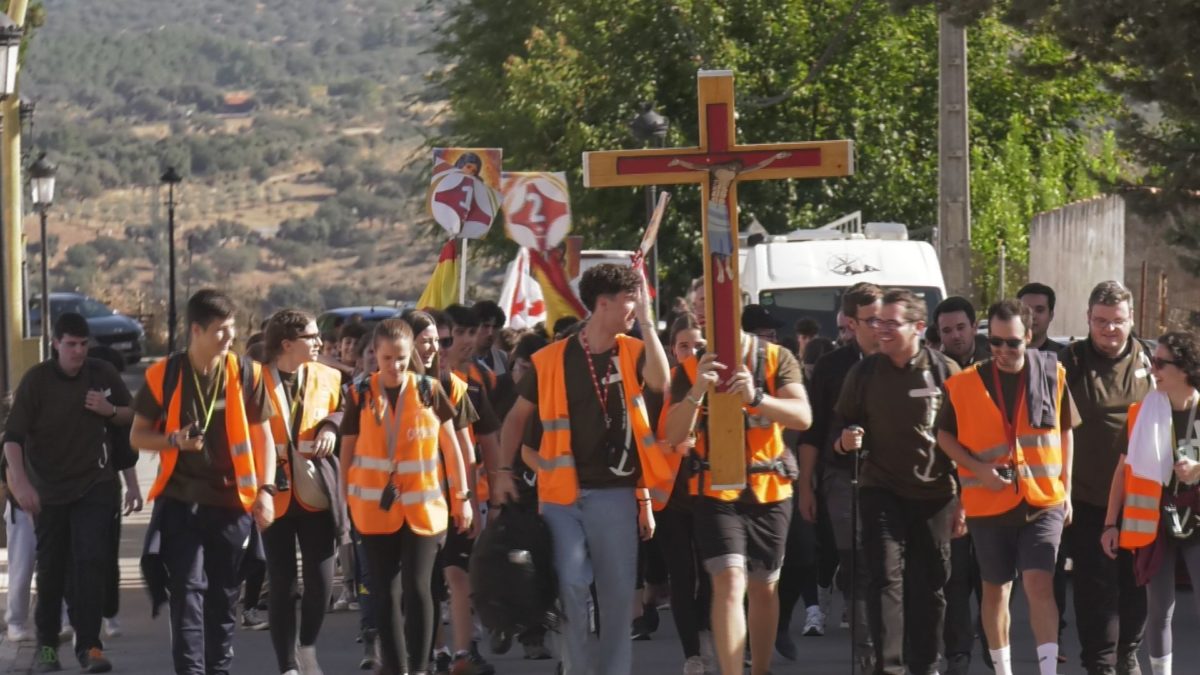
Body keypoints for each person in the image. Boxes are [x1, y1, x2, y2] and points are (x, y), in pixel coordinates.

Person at [497, 263, 671, 675]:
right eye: (631, 301)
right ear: (603, 304)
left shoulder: (634, 349)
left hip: (616, 493)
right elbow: (515, 420)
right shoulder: (551, 359)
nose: (637, 308)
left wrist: (647, 323)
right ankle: (576, 669)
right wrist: (502, 471)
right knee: (572, 585)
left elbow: (662, 382)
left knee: (614, 600)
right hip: (561, 495)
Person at [131, 289, 277, 675]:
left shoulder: (247, 373)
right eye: (221, 331)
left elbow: (264, 439)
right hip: (181, 502)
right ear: (196, 330)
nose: (229, 338)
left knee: (223, 596)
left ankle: (218, 669)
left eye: (232, 330)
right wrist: (173, 440)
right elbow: (138, 435)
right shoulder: (164, 374)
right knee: (186, 591)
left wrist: (266, 490)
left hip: (232, 504)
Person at [664, 304, 812, 675]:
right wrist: (698, 386)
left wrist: (757, 397)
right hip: (714, 491)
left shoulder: (777, 357)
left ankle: (759, 669)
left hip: (769, 489)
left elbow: (803, 416)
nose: (708, 321)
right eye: (703, 316)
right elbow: (671, 434)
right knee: (729, 581)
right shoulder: (689, 366)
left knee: (764, 586)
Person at [937, 299, 1080, 675]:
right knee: (996, 589)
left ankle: (1047, 670)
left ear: (1029, 337)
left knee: (1039, 584)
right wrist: (978, 469)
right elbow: (944, 436)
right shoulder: (964, 384)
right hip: (989, 502)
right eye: (995, 342)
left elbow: (1065, 431)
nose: (1002, 350)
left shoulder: (1052, 372)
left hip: (1042, 499)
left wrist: (1066, 489)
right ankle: (1003, 670)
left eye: (1012, 343)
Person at [835, 288, 961, 675]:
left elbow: (968, 442)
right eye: (877, 322)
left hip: (935, 494)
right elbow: (842, 426)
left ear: (919, 327)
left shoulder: (946, 372)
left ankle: (924, 664)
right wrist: (846, 440)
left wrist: (966, 502)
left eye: (891, 323)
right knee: (884, 577)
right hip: (881, 489)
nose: (881, 330)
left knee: (928, 585)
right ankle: (888, 667)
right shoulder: (865, 372)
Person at [339, 319, 473, 675]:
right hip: (372, 511)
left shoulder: (429, 389)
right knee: (385, 592)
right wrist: (345, 503)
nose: (394, 366)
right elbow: (347, 453)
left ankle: (419, 668)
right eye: (386, 358)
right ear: (374, 355)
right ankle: (395, 668)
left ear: (410, 354)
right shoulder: (359, 394)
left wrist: (463, 497)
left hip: (424, 509)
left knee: (418, 589)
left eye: (400, 358)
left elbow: (452, 447)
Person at [3, 313, 133, 673]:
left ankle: (89, 647)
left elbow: (132, 416)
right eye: (71, 344)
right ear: (56, 344)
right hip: (49, 491)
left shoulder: (101, 373)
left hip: (95, 485)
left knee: (91, 563)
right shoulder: (37, 381)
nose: (78, 351)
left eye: (83, 344)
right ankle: (46, 650)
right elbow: (12, 440)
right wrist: (22, 484)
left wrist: (109, 410)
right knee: (52, 570)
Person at [1062, 280, 1154, 675]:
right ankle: (1098, 663)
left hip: (1140, 497)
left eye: (1117, 321)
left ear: (1131, 319)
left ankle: (1127, 654)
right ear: (1088, 319)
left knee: (1135, 583)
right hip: (1085, 497)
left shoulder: (1150, 359)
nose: (1109, 329)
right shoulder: (1072, 361)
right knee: (1093, 588)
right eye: (1100, 321)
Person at [1100, 331, 1200, 675]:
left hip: (1197, 519)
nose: (1152, 369)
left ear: (1184, 368)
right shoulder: (1142, 413)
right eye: (1151, 362)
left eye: (1159, 363)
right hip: (1156, 522)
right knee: (1159, 611)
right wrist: (1110, 524)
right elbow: (1122, 472)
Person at [795, 282, 883, 674]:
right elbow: (813, 433)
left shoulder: (902, 360)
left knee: (889, 566)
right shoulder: (831, 366)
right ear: (850, 322)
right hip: (841, 478)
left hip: (896, 480)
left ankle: (890, 646)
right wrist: (806, 486)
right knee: (857, 564)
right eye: (871, 319)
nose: (881, 326)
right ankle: (866, 654)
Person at [260, 309, 346, 675]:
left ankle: (307, 646)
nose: (318, 342)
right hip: (273, 494)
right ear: (287, 343)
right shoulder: (254, 378)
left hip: (316, 490)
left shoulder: (330, 375)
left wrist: (330, 425)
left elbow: (345, 409)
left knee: (321, 582)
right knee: (281, 584)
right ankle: (287, 666)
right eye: (310, 337)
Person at [654, 314, 714, 674]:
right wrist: (672, 444)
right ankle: (692, 653)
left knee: (712, 573)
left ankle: (706, 632)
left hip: (709, 492)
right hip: (671, 493)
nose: (692, 352)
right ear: (672, 349)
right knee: (681, 575)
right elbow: (649, 438)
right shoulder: (665, 382)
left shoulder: (719, 381)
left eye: (699, 346)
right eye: (684, 346)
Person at [935, 295, 990, 368]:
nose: (955, 336)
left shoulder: (995, 365)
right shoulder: (935, 372)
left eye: (960, 328)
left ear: (974, 327)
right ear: (939, 334)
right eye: (947, 331)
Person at [1018, 283, 1068, 354]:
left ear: (1051, 315)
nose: (1032, 316)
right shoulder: (1003, 355)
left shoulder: (1066, 356)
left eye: (1039, 310)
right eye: (1026, 310)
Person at [473, 300, 510, 376]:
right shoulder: (459, 357)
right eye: (486, 326)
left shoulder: (503, 358)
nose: (490, 332)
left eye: (495, 327)